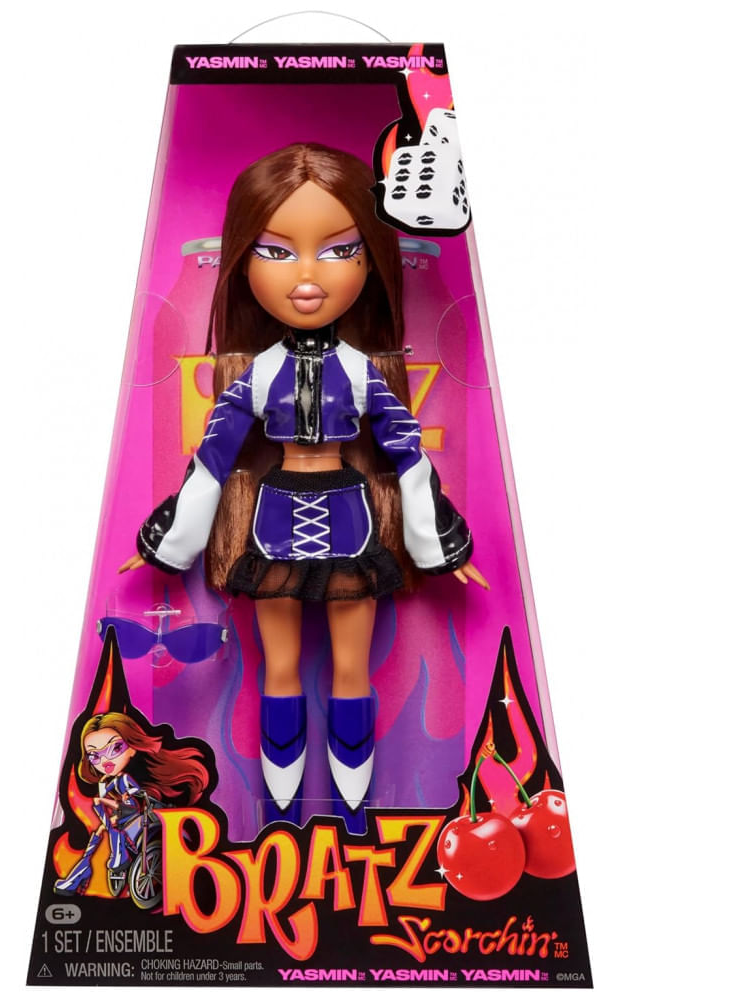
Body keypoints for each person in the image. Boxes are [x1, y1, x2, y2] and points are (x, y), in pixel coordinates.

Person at [121, 144, 487, 833]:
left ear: (370, 260)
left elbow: (407, 452)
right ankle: (282, 804)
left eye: (341, 250)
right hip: (275, 525)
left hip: (350, 523)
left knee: (352, 670)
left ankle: (352, 803)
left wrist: (441, 539)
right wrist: (167, 539)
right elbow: (213, 456)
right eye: (277, 252)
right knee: (279, 667)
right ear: (242, 260)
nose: (309, 277)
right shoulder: (257, 375)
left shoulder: (364, 373)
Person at [54, 712, 208, 895]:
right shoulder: (106, 782)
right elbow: (106, 799)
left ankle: (110, 858)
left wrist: (128, 795)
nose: (105, 760)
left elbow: (136, 794)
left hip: (132, 809)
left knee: (102, 811)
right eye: (94, 756)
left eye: (115, 748)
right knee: (99, 831)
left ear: (133, 748)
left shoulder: (125, 778)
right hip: (119, 815)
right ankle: (80, 872)